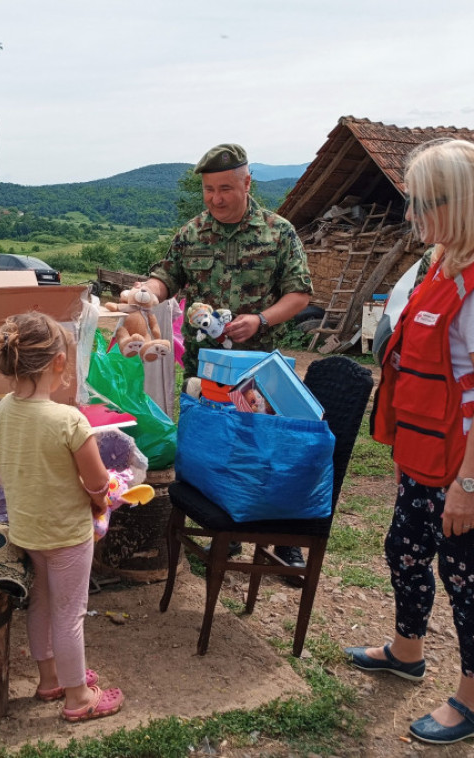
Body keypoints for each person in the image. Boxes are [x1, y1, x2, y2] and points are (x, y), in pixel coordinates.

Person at [348, 138, 474, 745]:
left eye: (423, 204)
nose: (412, 215)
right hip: (430, 453)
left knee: (466, 576)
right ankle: (406, 652)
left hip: (472, 463)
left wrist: (467, 488)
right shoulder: (444, 263)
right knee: (403, 548)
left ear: (458, 205)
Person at [140, 142, 314, 572]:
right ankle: (214, 535)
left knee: (264, 454)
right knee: (206, 452)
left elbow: (299, 294)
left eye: (225, 188)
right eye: (209, 190)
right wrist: (148, 292)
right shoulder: (192, 233)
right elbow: (166, 277)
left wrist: (259, 319)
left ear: (247, 183)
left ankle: (279, 536)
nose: (216, 198)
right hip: (203, 371)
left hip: (258, 372)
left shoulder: (278, 232)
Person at [0, 312, 125, 723]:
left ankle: (50, 679)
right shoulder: (69, 421)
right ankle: (78, 697)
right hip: (67, 534)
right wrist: (105, 499)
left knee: (42, 605)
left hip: (28, 530)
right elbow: (98, 482)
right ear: (59, 364)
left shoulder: (4, 410)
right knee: (70, 615)